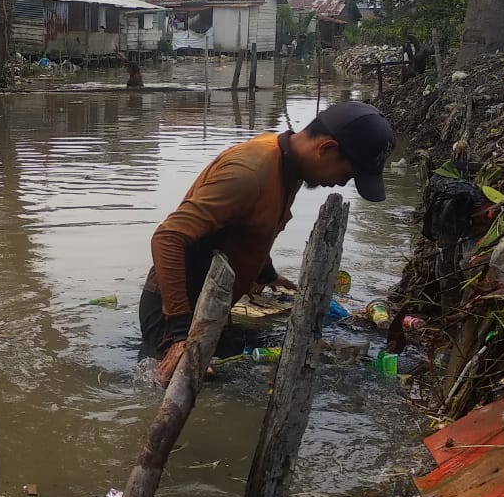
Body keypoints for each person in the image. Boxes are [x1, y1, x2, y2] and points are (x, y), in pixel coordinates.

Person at [139, 101, 396, 385]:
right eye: (346, 175)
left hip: (211, 309)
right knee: (216, 395)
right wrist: (179, 335)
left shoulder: (290, 168)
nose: (340, 184)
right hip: (175, 313)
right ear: (326, 149)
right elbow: (168, 238)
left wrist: (267, 274)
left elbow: (253, 225)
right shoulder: (250, 171)